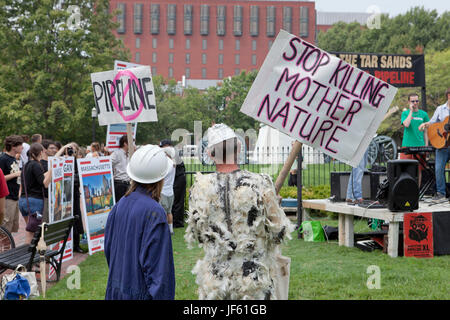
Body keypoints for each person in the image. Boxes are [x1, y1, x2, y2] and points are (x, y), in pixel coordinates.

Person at [185, 123, 294, 300]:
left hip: (216, 283)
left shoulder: (199, 188)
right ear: (239, 149)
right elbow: (278, 232)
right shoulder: (260, 183)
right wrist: (274, 207)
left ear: (210, 154)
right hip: (253, 283)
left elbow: (198, 234)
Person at [104, 144, 175, 300]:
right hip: (140, 293)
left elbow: (109, 251)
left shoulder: (120, 204)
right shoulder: (155, 212)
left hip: (117, 289)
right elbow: (159, 271)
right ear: (161, 177)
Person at [419, 88, 450, 201]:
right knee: (438, 169)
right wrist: (425, 124)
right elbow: (432, 123)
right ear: (448, 96)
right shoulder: (440, 109)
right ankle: (441, 193)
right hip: (442, 145)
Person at [18, 143, 52, 243]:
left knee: (30, 228)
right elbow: (45, 183)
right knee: (31, 233)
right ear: (41, 152)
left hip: (24, 201)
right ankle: (28, 257)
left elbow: (38, 177)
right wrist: (52, 170)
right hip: (34, 202)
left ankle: (31, 255)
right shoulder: (36, 165)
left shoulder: (26, 165)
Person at [55, 142, 85, 253]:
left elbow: (80, 177)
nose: (71, 151)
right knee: (65, 217)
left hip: (75, 193)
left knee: (76, 217)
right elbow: (54, 160)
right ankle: (65, 245)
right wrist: (63, 150)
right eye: (69, 149)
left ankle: (76, 245)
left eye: (73, 149)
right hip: (63, 194)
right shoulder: (62, 160)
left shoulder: (78, 162)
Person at [399, 93, 430, 186]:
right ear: (409, 102)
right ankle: (406, 192)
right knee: (405, 170)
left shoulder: (424, 114)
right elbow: (406, 124)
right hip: (407, 145)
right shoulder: (405, 113)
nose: (415, 103)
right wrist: (411, 112)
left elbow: (426, 132)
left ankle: (417, 192)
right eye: (413, 101)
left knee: (418, 170)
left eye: (417, 101)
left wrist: (426, 146)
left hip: (420, 145)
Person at [160, 139, 186, 228]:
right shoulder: (172, 152)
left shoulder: (173, 153)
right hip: (177, 177)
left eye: (163, 147)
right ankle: (175, 221)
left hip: (179, 177)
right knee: (175, 201)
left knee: (178, 200)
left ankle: (177, 222)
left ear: (167, 146)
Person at [0, 135, 24, 233]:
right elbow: (1, 178)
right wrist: (16, 174)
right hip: (7, 197)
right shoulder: (3, 159)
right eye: (20, 145)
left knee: (12, 226)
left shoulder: (14, 159)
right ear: (13, 146)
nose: (22, 147)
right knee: (5, 226)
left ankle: (9, 247)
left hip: (14, 196)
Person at [160, 146, 176, 234]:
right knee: (169, 212)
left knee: (162, 212)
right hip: (170, 191)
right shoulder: (173, 163)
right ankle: (170, 229)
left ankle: (164, 230)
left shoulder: (167, 163)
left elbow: (162, 176)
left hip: (163, 191)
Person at [111, 135, 130, 202]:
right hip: (119, 184)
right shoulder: (116, 153)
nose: (133, 144)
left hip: (127, 184)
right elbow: (108, 163)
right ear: (125, 143)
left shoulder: (129, 153)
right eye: (131, 142)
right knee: (120, 205)